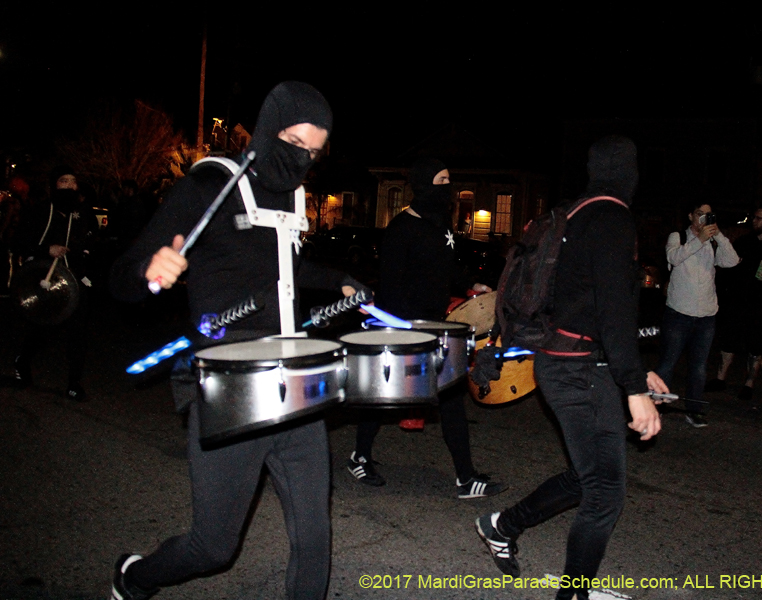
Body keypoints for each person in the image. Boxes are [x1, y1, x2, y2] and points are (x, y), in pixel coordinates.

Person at [107, 82, 364, 600]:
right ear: (270, 130)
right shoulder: (208, 185)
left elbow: (280, 267)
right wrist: (149, 271)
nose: (301, 160)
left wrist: (337, 279)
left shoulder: (294, 195)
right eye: (294, 143)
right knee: (214, 548)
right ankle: (135, 577)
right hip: (230, 388)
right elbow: (121, 278)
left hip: (296, 380)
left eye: (314, 152)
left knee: (315, 536)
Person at [475, 136, 666, 600]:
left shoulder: (574, 213)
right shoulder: (613, 219)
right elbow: (616, 312)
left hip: (573, 362)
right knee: (604, 492)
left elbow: (590, 309)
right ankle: (574, 593)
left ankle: (502, 525)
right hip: (576, 370)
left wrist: (635, 375)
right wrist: (635, 388)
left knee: (590, 477)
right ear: (629, 172)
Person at [346, 157, 506, 499]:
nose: (447, 188)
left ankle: (466, 478)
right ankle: (359, 456)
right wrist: (406, 332)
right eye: (441, 180)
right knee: (383, 396)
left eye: (449, 180)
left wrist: (471, 285)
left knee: (450, 397)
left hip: (438, 327)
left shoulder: (441, 226)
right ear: (422, 184)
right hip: (404, 328)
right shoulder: (401, 229)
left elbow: (445, 270)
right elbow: (390, 286)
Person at [13, 166, 98, 400]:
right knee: (43, 329)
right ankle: (22, 361)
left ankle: (74, 383)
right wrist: (45, 249)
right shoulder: (40, 211)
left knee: (78, 333)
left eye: (73, 181)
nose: (69, 185)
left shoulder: (83, 213)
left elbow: (93, 239)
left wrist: (87, 255)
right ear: (55, 185)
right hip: (45, 281)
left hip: (74, 280)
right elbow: (18, 240)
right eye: (64, 181)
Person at [655, 203, 739, 426]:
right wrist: (699, 238)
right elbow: (674, 258)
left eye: (708, 215)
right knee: (667, 364)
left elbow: (730, 261)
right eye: (700, 214)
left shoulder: (713, 241)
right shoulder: (678, 237)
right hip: (679, 312)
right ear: (690, 215)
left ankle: (694, 409)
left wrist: (718, 234)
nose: (703, 218)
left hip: (706, 314)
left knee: (699, 367)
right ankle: (657, 407)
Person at [708, 204, 762, 400]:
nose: (754, 221)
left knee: (755, 345)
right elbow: (728, 269)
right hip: (736, 300)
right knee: (728, 340)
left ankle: (749, 383)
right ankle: (720, 378)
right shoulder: (743, 242)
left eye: (759, 218)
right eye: (754, 217)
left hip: (760, 305)